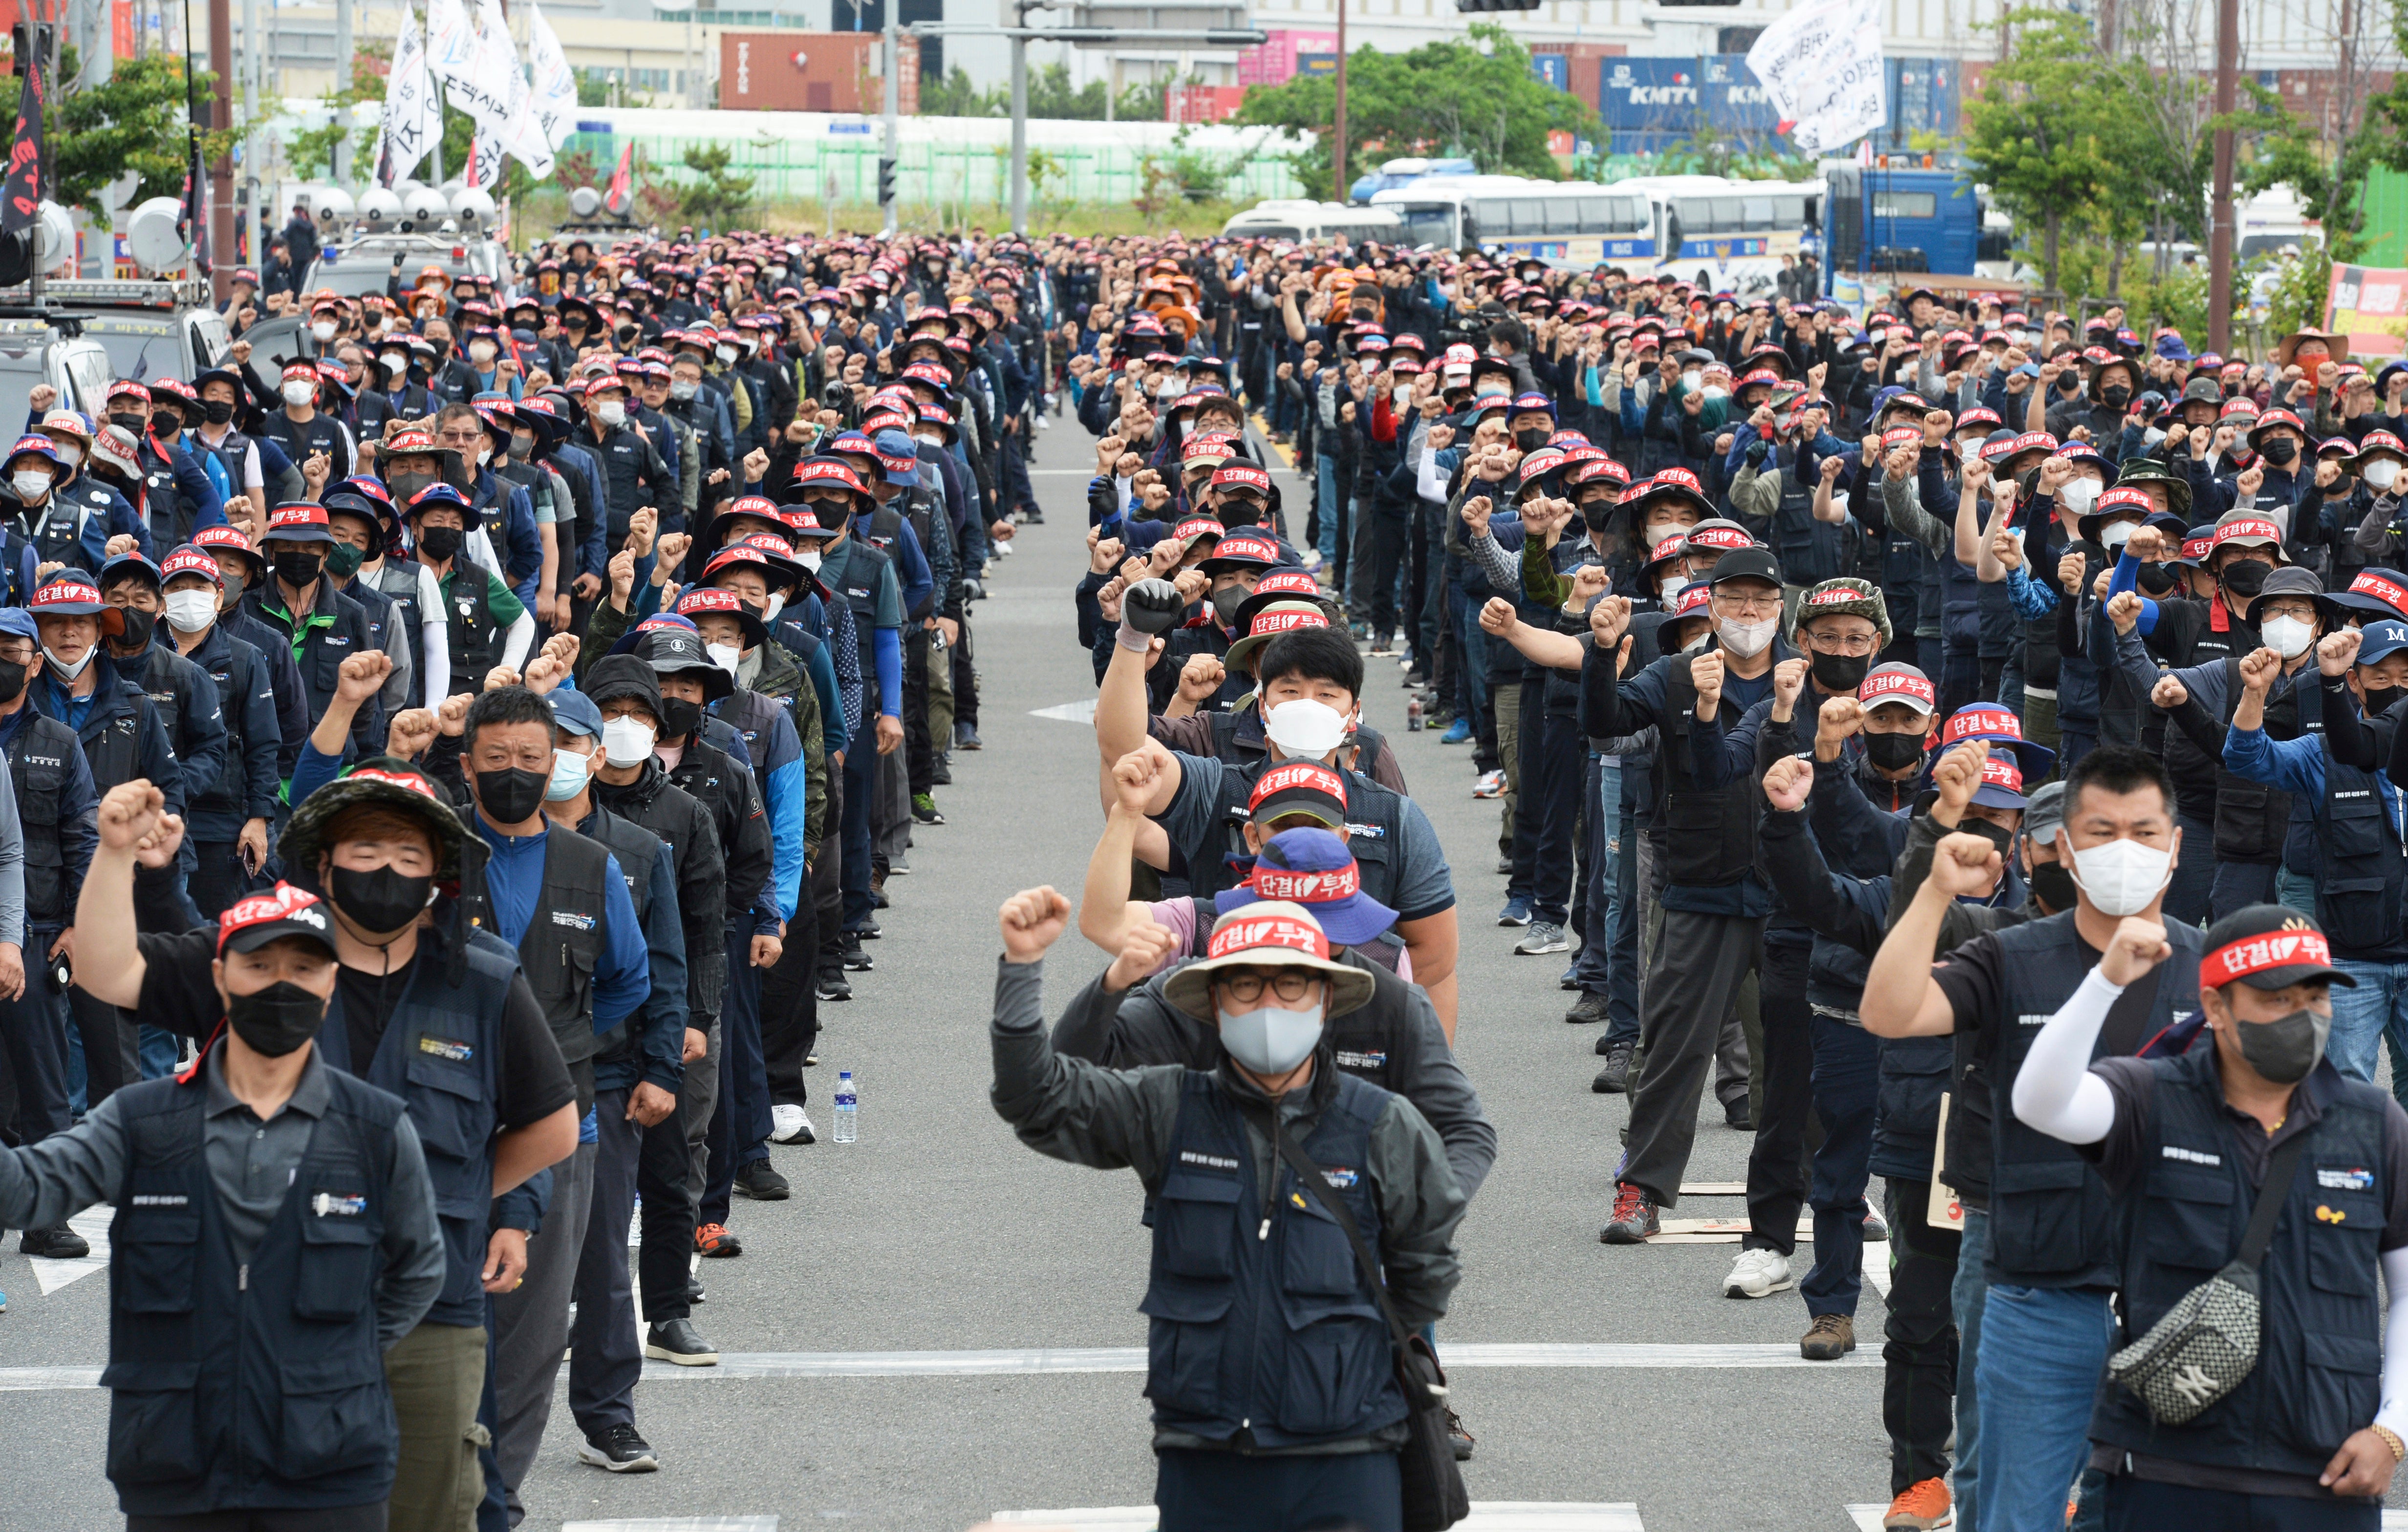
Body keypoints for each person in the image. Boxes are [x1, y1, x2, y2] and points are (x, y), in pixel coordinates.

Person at [73, 773, 580, 1532]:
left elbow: (553, 1126)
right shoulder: (262, 954)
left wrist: (456, 1199)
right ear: (325, 860)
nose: (385, 871)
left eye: (409, 855)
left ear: (441, 870)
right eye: (365, 848)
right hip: (266, 1311)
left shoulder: (485, 978)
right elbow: (106, 971)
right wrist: (114, 856)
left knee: (433, 1512)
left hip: (428, 1315)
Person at [988, 888, 1465, 1532]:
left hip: (1350, 1461)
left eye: (1291, 984)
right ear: (1215, 1003)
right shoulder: (1168, 1109)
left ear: (1326, 1000)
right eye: (1245, 986)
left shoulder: (1385, 1126)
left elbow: (1426, 1272)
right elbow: (1037, 1102)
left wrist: (1336, 1367)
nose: (1269, 1004)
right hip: (1203, 1463)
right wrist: (1023, 968)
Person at [0, 873, 447, 1531]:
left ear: (331, 988)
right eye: (258, 964)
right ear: (220, 976)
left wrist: (336, 1358)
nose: (280, 984)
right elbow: (25, 1191)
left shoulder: (376, 1130)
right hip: (177, 1469)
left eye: (303, 967)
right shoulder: (140, 1121)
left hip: (330, 1472)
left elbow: (421, 1269)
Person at [1864, 745, 2202, 1532]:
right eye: (2102, 830)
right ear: (2065, 847)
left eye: (2146, 832)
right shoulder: (2008, 955)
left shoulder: (2209, 964)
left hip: (2173, 1267)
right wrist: (1934, 894)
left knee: (2157, 1495)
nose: (2126, 848)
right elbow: (1889, 1012)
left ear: (2177, 845)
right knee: (2011, 1494)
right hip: (2029, 1261)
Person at [2013, 902, 2408, 1529]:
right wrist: (2104, 982)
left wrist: (2392, 1429)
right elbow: (2040, 1101)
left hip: (2325, 1474)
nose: (2302, 1018)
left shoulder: (2374, 1123)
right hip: (2166, 1469)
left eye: (2315, 997)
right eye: (2277, 999)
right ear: (2216, 1008)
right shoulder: (2149, 1097)